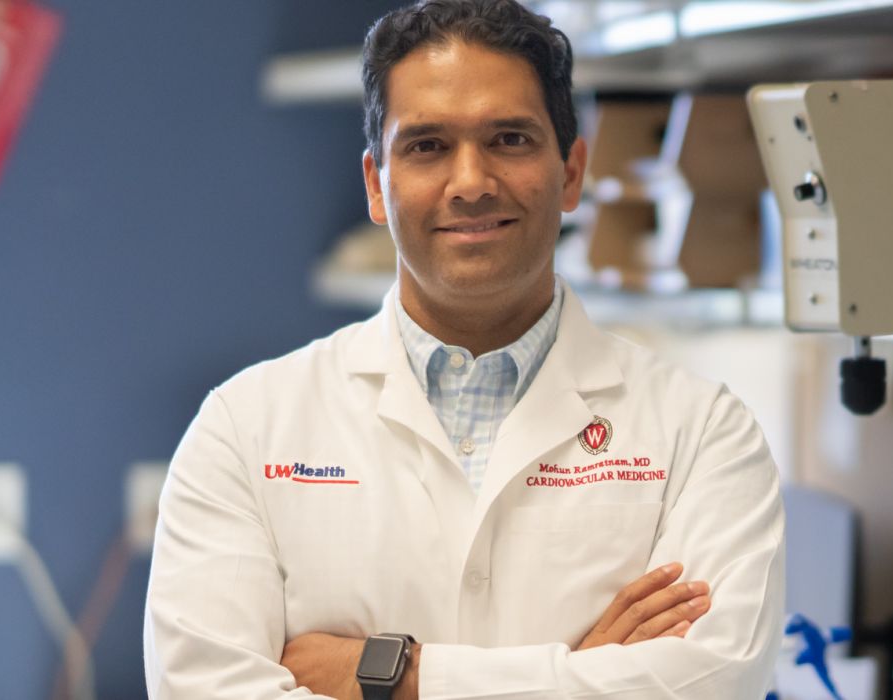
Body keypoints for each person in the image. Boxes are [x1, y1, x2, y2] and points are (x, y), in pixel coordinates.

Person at [141, 1, 787, 697]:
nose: (472, 182)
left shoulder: (703, 433)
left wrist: (398, 678)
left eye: (510, 139)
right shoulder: (243, 429)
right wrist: (584, 672)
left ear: (572, 172)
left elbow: (715, 678)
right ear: (375, 186)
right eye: (426, 146)